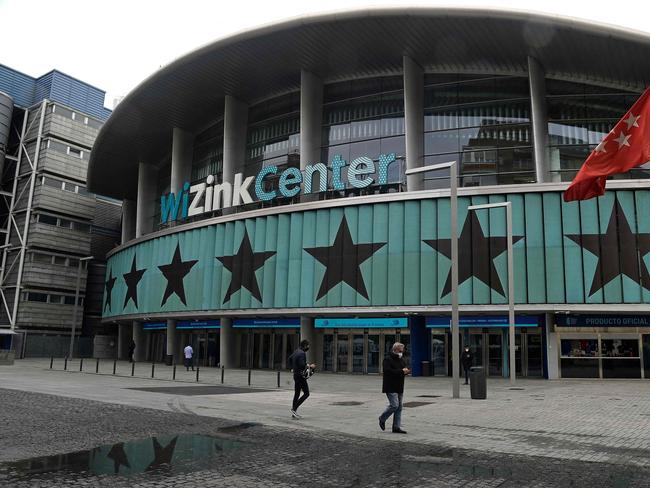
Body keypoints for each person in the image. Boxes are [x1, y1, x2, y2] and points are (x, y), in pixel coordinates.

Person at [379, 342, 409, 434]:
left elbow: (404, 369)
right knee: (394, 405)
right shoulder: (387, 359)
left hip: (399, 385)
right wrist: (401, 371)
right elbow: (388, 371)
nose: (402, 352)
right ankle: (382, 418)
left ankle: (396, 427)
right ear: (395, 350)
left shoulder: (401, 359)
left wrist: (406, 371)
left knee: (399, 407)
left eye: (402, 350)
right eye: (400, 350)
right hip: (390, 386)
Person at [288, 339, 316, 419]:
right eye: (308, 346)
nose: (308, 347)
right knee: (306, 393)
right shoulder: (302, 353)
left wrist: (291, 368)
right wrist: (311, 366)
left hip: (295, 375)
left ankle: (294, 413)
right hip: (300, 377)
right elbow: (302, 365)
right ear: (305, 346)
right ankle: (294, 409)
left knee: (297, 393)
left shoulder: (296, 351)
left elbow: (289, 359)